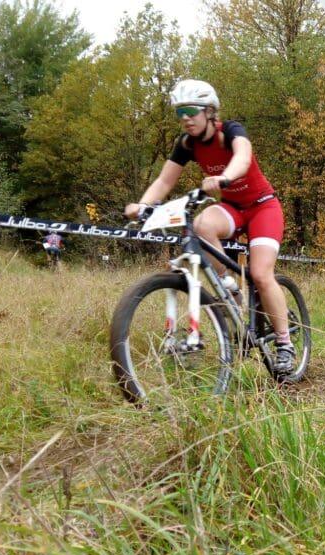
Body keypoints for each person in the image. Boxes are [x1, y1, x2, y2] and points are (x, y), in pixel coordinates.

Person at [124, 79, 296, 373]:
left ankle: (284, 344)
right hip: (233, 208)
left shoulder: (230, 131)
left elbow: (242, 156)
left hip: (263, 206)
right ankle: (229, 286)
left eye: (190, 110)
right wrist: (141, 205)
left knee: (260, 273)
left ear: (209, 111)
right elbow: (165, 180)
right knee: (203, 224)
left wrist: (224, 177)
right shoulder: (187, 144)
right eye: (179, 113)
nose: (185, 118)